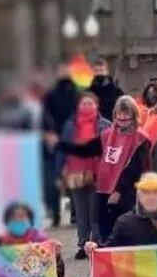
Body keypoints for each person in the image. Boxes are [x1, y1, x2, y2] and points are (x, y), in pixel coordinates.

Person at [54, 95, 150, 242]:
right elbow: (86, 149)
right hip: (104, 191)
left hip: (127, 194)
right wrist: (61, 144)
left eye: (126, 114)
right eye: (119, 114)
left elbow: (135, 169)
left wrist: (118, 191)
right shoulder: (108, 135)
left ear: (133, 115)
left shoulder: (140, 139)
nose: (122, 118)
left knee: (124, 232)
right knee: (103, 232)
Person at [57, 93, 111, 259]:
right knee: (80, 212)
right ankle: (82, 244)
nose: (87, 106)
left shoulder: (106, 125)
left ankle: (94, 243)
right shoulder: (69, 126)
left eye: (90, 103)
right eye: (84, 103)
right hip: (75, 172)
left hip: (98, 172)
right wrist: (60, 170)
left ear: (97, 105)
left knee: (95, 211)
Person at [85, 172, 157, 250]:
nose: (151, 197)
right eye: (146, 192)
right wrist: (95, 248)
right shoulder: (125, 222)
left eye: (156, 192)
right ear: (139, 195)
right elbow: (109, 252)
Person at [88, 58, 124, 123]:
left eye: (101, 70)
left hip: (111, 125)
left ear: (106, 72)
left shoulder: (116, 91)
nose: (99, 73)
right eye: (96, 71)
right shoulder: (88, 92)